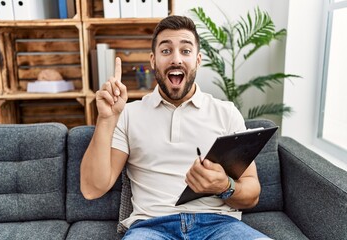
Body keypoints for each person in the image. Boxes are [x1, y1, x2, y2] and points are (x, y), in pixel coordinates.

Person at [80, 15, 271, 240]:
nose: (176, 59)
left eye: (186, 51)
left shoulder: (226, 113)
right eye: (166, 50)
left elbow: (252, 194)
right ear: (153, 60)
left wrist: (224, 185)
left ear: (198, 60)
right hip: (151, 228)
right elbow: (92, 189)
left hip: (219, 225)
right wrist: (106, 118)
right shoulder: (128, 114)